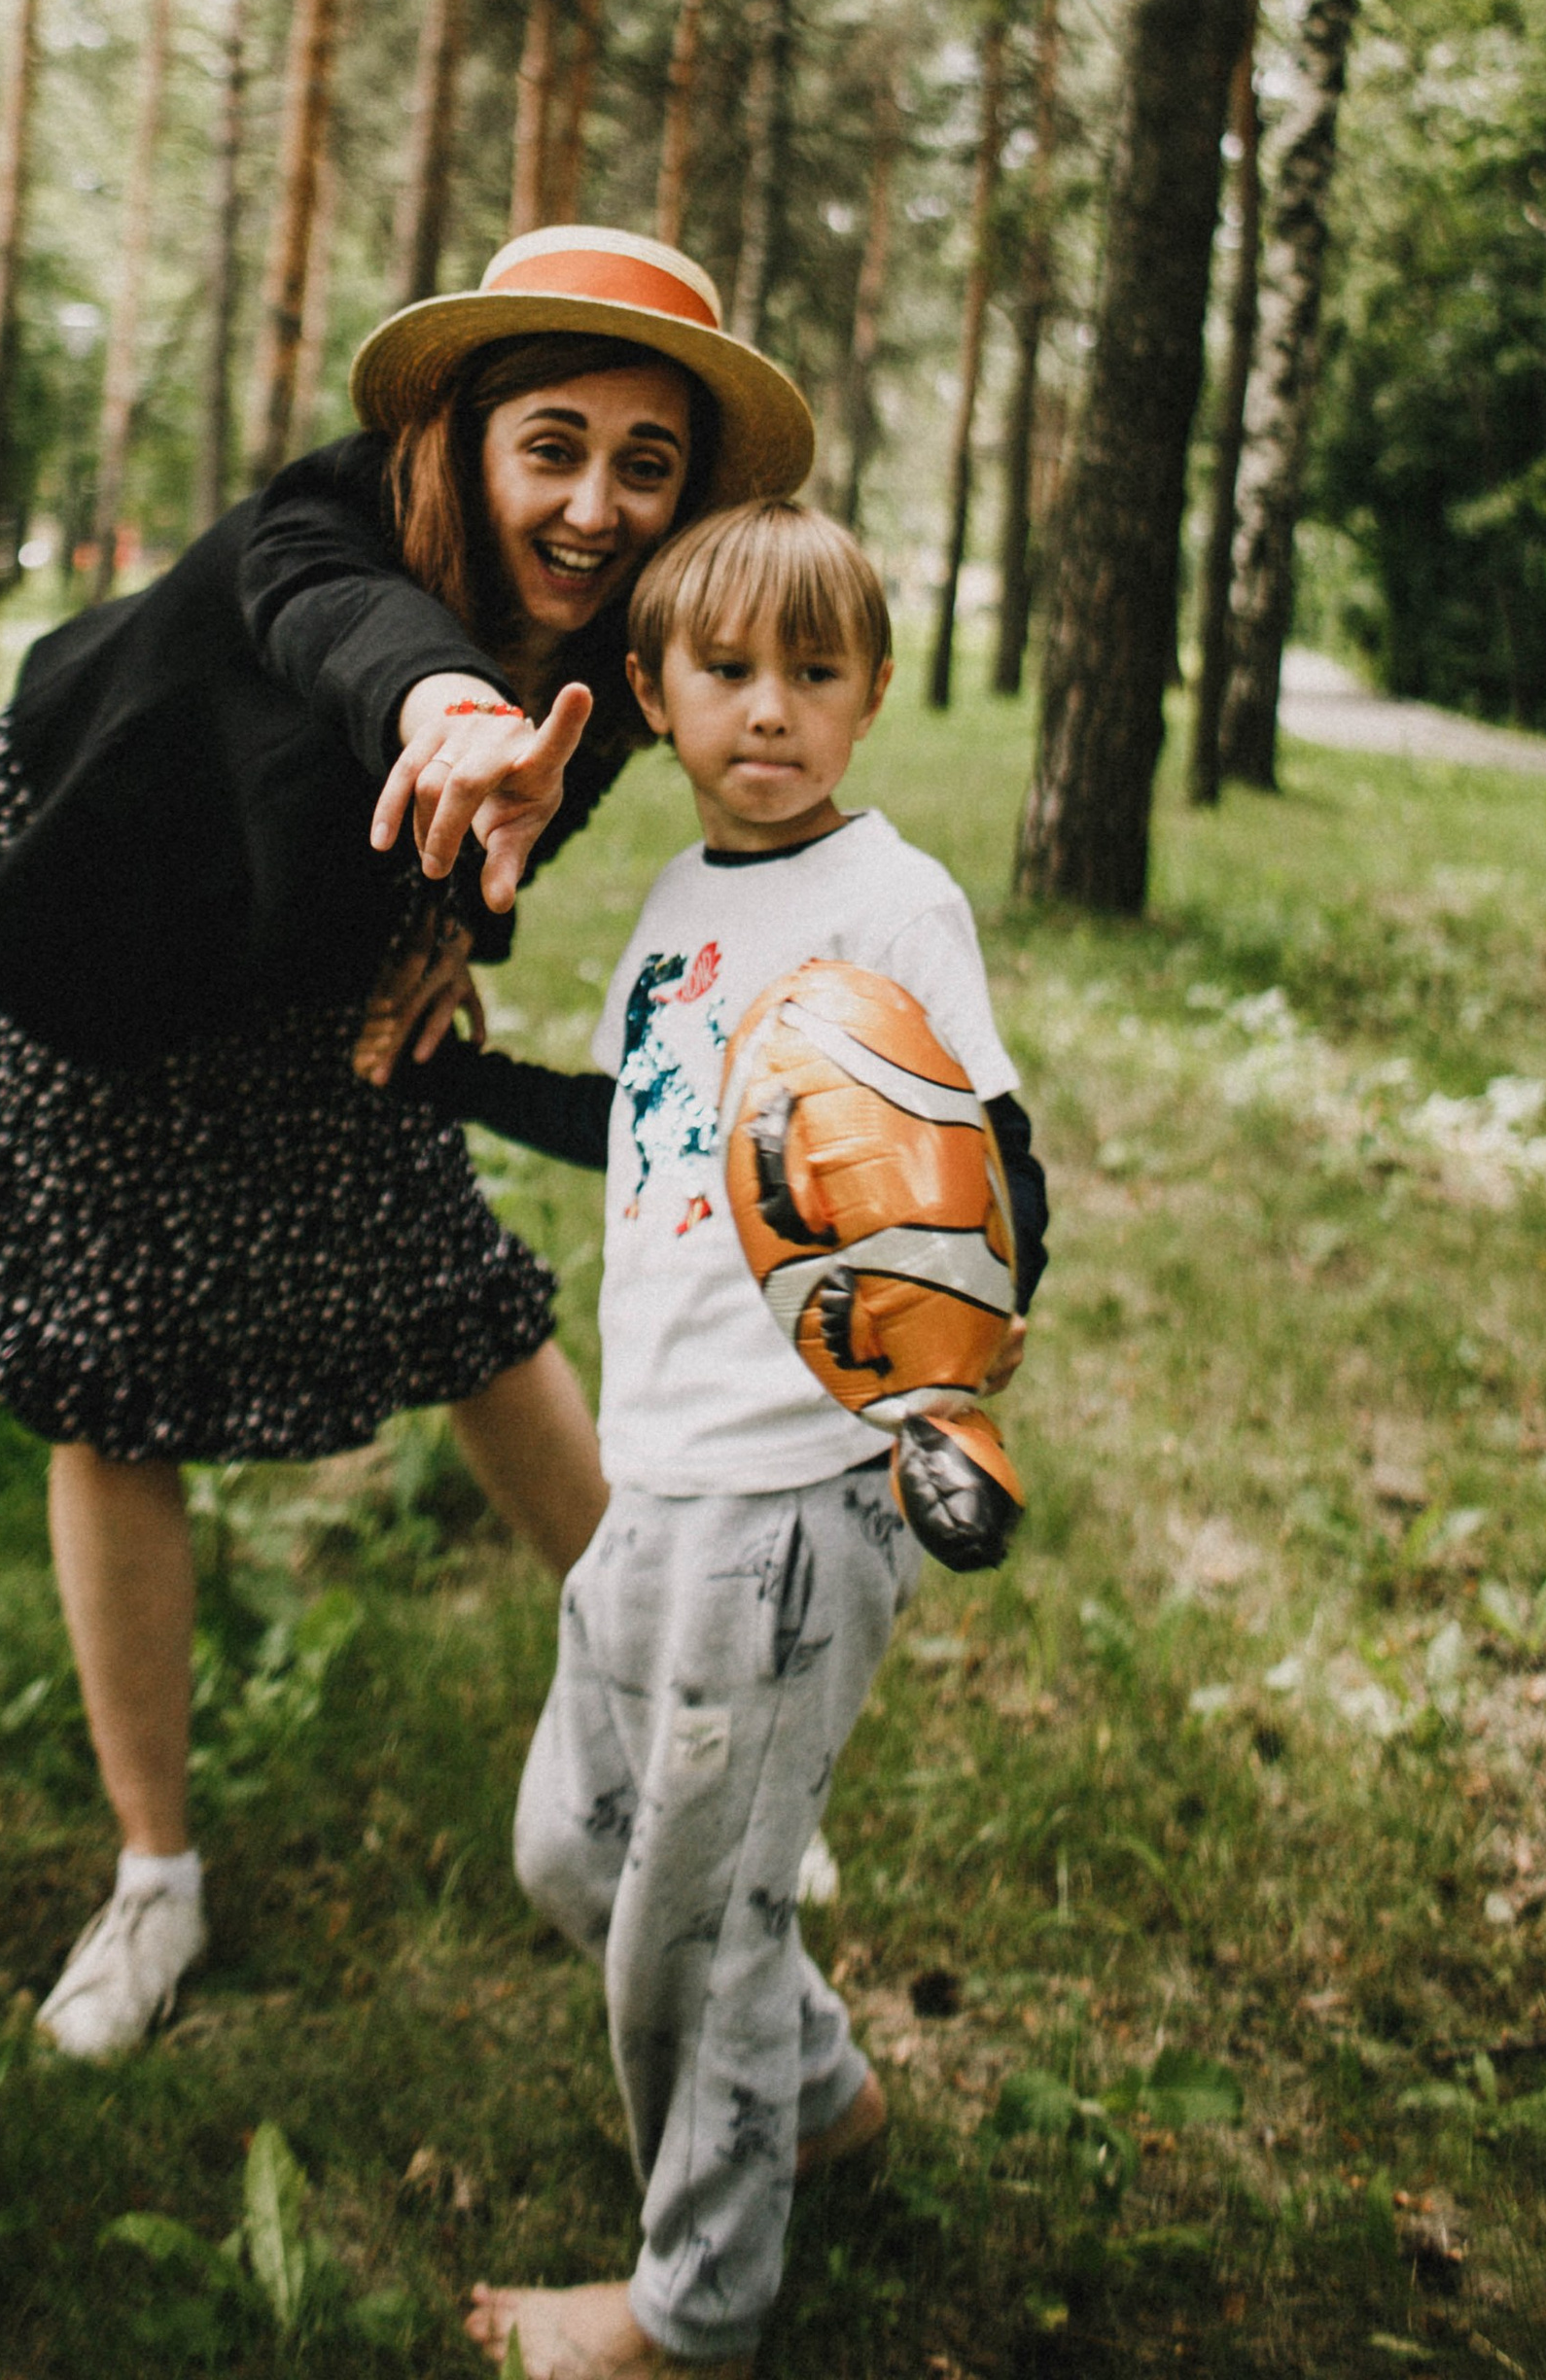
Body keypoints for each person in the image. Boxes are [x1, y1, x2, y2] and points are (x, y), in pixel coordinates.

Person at [0, 228, 812, 2063]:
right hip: (102, 897)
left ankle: (698, 1761)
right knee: (110, 1385)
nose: (596, 504)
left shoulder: (618, 637)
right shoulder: (326, 525)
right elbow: (358, 644)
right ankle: (155, 1880)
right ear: (465, 438)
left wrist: (458, 933)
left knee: (465, 1308)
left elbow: (529, 798)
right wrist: (447, 708)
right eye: (556, 445)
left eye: (645, 461)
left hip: (320, 939)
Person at [418, 498, 1048, 2380]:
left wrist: (949, 1383)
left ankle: (693, 2306)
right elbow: (638, 1130)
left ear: (863, 703)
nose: (765, 710)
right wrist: (453, 1072)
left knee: (687, 1926)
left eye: (812, 672)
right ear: (652, 696)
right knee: (573, 1848)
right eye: (723, 673)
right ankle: (824, 2093)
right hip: (651, 1475)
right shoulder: (680, 911)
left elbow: (990, 1171)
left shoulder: (886, 905)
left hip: (789, 1500)